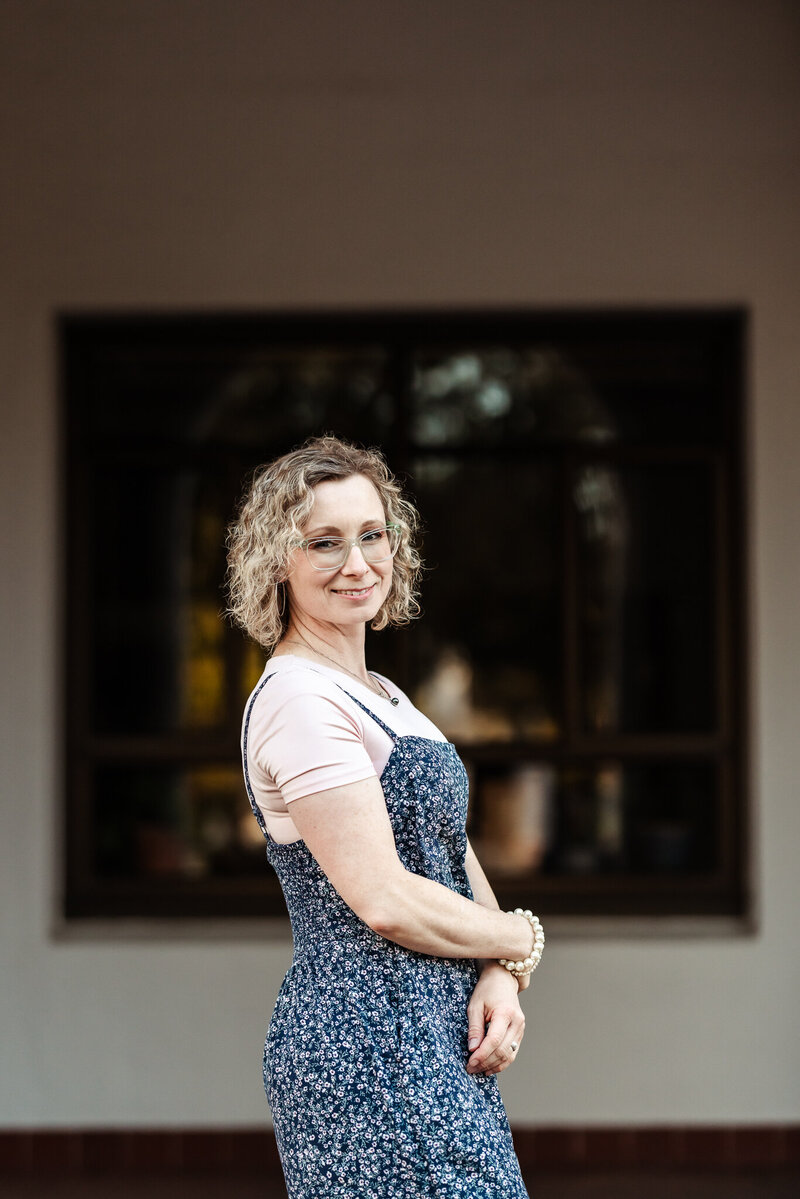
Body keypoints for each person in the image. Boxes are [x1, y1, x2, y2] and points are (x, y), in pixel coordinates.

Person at [226, 435, 544, 1199]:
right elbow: (384, 897)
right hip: (366, 1046)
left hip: (432, 1038)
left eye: (373, 535)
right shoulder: (299, 698)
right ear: (279, 559)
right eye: (325, 542)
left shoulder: (382, 694)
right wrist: (522, 936)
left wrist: (502, 971)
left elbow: (451, 853)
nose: (357, 562)